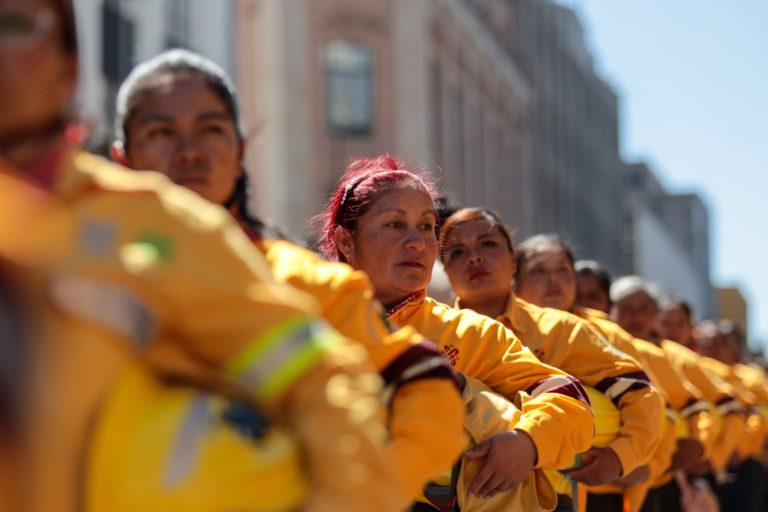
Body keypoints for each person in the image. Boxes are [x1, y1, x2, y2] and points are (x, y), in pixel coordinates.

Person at [0, 2, 404, 511]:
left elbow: (325, 382)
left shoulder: (162, 227)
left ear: (68, 68)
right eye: (162, 133)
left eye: (13, 24)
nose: (189, 152)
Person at [111, 49, 466, 501]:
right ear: (122, 158)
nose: (190, 152)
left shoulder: (306, 285)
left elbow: (427, 389)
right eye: (161, 132)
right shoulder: (67, 262)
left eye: (211, 129)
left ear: (240, 151)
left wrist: (363, 495)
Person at [317, 155, 595, 510]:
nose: (417, 242)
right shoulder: (306, 325)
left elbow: (570, 399)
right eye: (395, 225)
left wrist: (528, 442)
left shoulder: (471, 333)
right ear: (345, 241)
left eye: (427, 226)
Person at [439, 209, 664, 512]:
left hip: (547, 500)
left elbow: (641, 392)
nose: (475, 257)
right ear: (445, 270)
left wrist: (621, 456)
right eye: (457, 252)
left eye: (488, 244)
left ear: (513, 260)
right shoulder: (429, 332)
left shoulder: (561, 330)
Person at [611, 277, 747, 504]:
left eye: (643, 309)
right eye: (627, 309)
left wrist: (707, 452)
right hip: (603, 478)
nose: (635, 317)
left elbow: (728, 409)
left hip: (666, 477)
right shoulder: (597, 345)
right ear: (611, 311)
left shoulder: (676, 358)